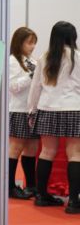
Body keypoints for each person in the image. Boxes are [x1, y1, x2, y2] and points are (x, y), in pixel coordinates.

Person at [27, 21, 80, 212]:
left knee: (47, 152)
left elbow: (36, 86)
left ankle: (41, 196)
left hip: (47, 108)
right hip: (73, 108)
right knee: (75, 154)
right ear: (73, 37)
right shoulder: (78, 56)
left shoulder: (45, 57)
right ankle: (73, 201)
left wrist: (31, 109)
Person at [9, 26, 40, 199]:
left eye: (34, 42)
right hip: (19, 109)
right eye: (29, 42)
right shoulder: (13, 61)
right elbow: (13, 87)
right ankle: (9, 186)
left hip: (32, 110)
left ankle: (31, 186)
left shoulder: (33, 61)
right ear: (19, 42)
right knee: (16, 148)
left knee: (32, 149)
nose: (33, 46)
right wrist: (31, 76)